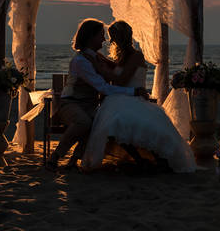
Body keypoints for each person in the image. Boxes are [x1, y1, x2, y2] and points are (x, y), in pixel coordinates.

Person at [81, 20, 196, 173]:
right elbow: (117, 68)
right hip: (123, 97)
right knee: (113, 122)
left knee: (119, 121)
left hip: (133, 97)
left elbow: (121, 79)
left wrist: (98, 66)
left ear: (123, 37)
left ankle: (155, 159)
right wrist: (100, 59)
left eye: (114, 37)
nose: (112, 41)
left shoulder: (136, 56)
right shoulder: (122, 56)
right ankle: (139, 159)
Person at [46, 19, 149, 171]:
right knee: (84, 122)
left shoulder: (97, 57)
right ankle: (55, 157)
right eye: (101, 35)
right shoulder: (81, 61)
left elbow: (116, 73)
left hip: (90, 105)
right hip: (71, 103)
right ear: (90, 37)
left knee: (98, 123)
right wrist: (134, 92)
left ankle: (73, 161)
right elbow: (103, 87)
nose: (105, 39)